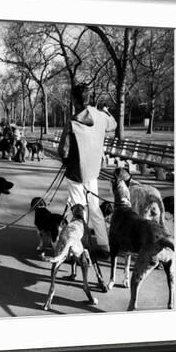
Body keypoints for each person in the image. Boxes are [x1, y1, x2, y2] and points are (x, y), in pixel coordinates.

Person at [57, 83, 117, 258]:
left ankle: (78, 250)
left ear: (74, 100)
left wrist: (65, 160)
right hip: (93, 170)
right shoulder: (100, 116)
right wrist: (105, 111)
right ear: (89, 97)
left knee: (77, 210)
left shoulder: (73, 122)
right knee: (94, 208)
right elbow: (113, 124)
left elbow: (63, 151)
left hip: (76, 172)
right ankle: (104, 246)